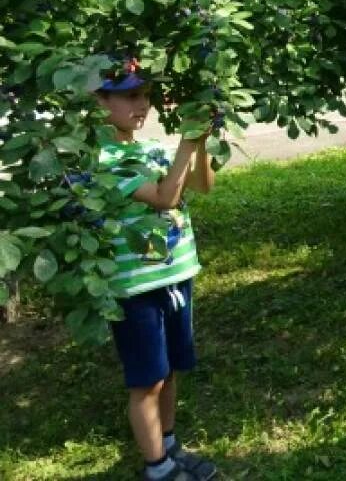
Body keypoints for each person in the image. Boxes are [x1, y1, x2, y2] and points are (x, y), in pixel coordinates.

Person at [94, 58, 219, 481]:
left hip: (175, 278)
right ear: (99, 101)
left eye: (144, 95)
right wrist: (186, 141)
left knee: (167, 372)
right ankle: (157, 468)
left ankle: (167, 444)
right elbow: (166, 198)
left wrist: (199, 143)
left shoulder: (144, 149)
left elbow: (200, 186)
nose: (141, 104)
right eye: (130, 96)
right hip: (137, 287)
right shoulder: (105, 158)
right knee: (146, 380)